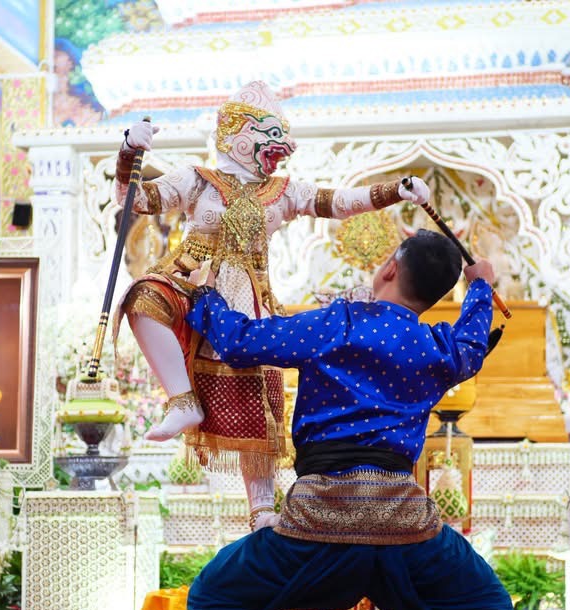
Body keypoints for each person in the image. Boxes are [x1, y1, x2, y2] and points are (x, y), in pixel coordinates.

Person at [183, 228, 514, 610]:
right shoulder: (437, 346)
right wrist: (481, 286)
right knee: (490, 609)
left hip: (318, 516)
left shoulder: (335, 324)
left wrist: (203, 297)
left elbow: (238, 342)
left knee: (212, 597)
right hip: (403, 522)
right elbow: (472, 343)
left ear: (389, 269)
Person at [115, 79, 432, 531]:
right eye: (273, 140)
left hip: (248, 300)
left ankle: (262, 509)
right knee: (142, 297)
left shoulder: (282, 192)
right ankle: (181, 401)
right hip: (191, 281)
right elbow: (136, 199)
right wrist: (129, 152)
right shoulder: (197, 180)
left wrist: (395, 190)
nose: (283, 152)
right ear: (240, 136)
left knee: (256, 391)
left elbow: (339, 203)